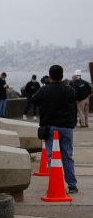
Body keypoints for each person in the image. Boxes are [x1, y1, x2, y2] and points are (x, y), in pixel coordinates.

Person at [32, 65, 78, 193]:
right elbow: (75, 100)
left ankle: (56, 183)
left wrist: (45, 87)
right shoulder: (70, 90)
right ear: (62, 76)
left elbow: (34, 100)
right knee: (67, 156)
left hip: (50, 128)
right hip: (67, 127)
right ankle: (72, 185)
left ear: (50, 76)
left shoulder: (45, 90)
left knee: (52, 157)